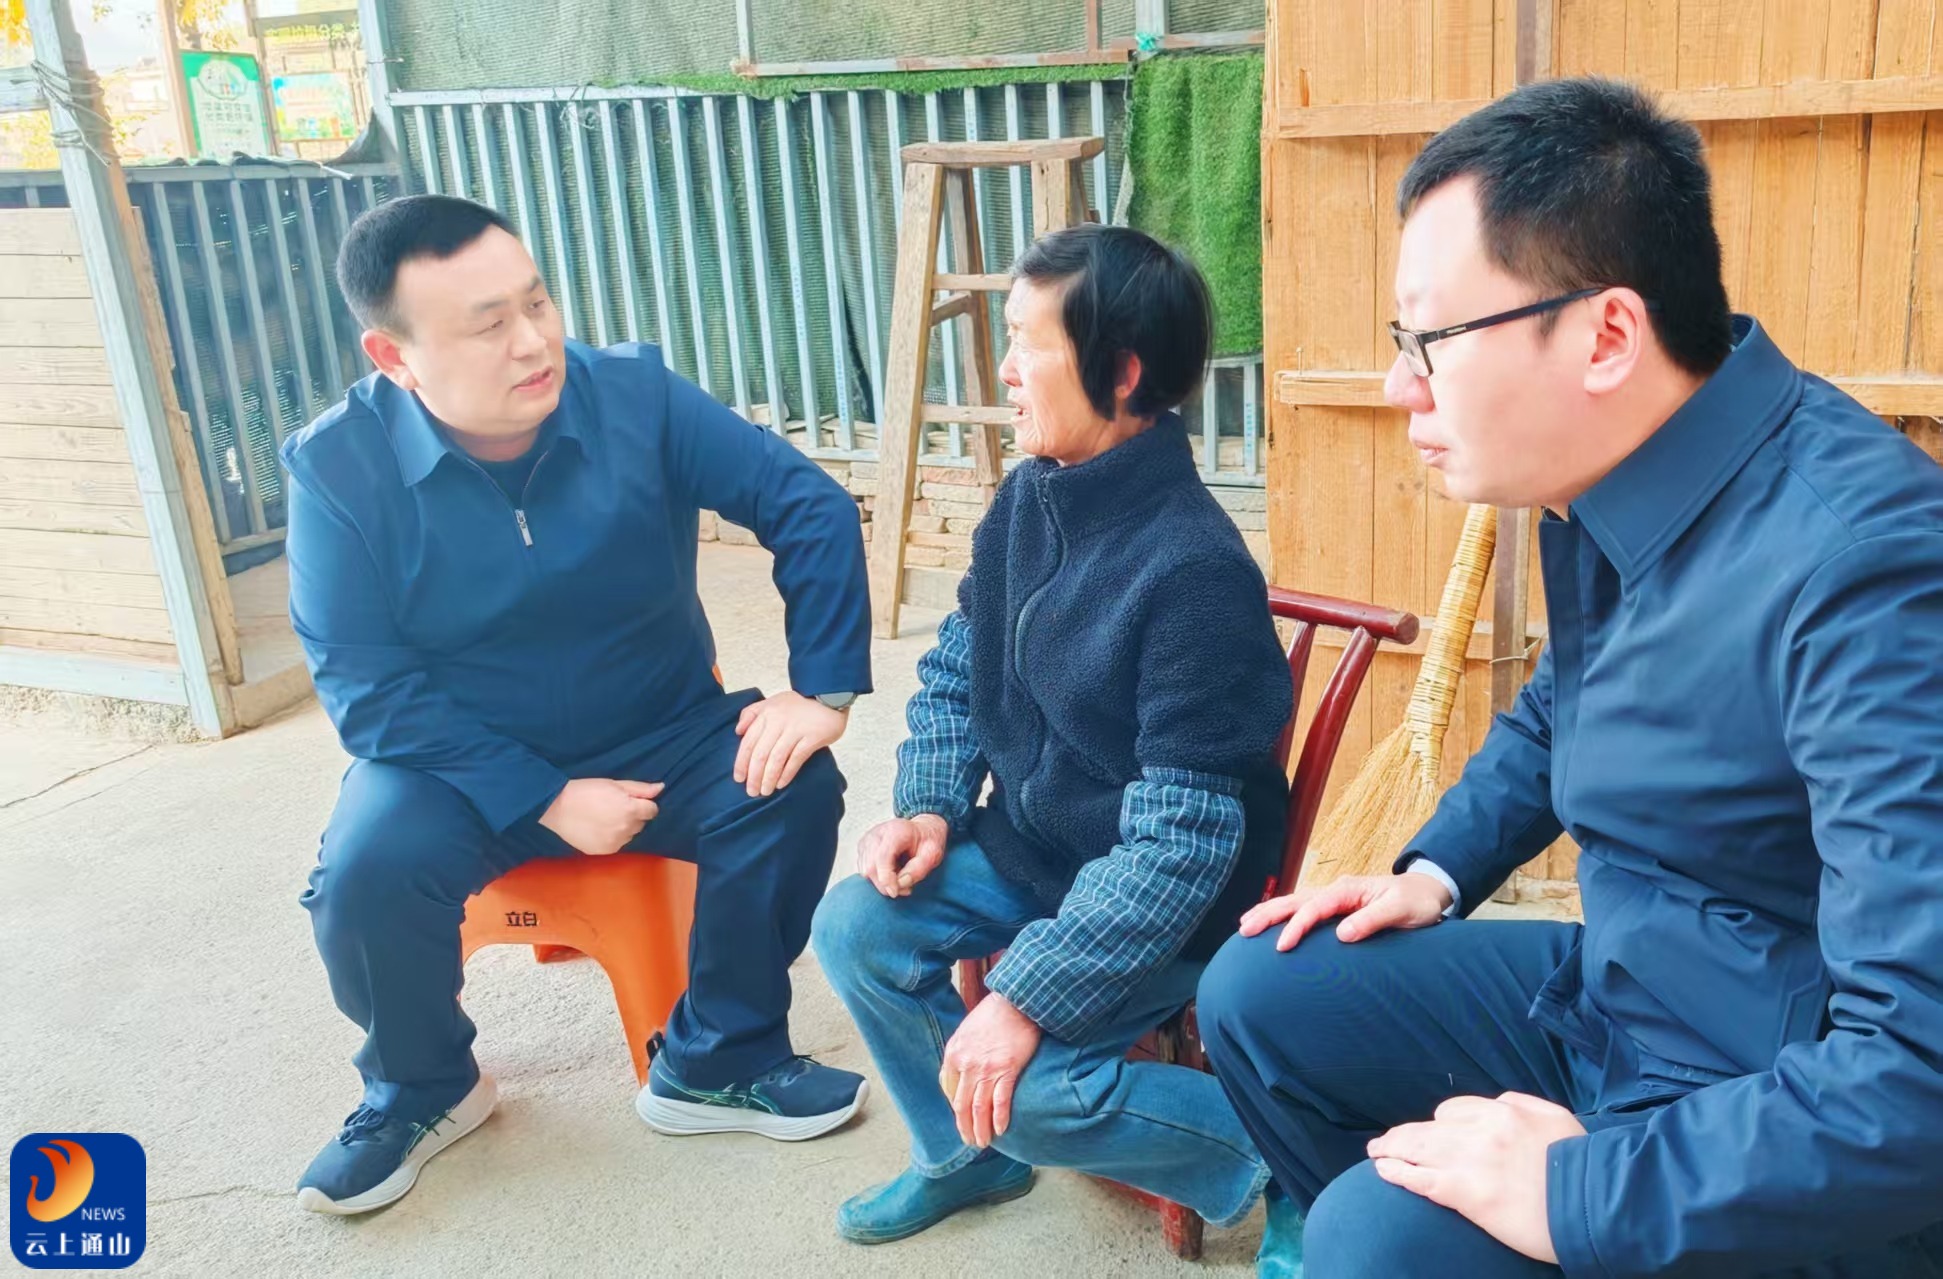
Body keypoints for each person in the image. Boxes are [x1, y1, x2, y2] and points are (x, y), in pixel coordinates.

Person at [1197, 76, 1943, 1277]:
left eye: (1430, 342)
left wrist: (1579, 1189)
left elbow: (1913, 1077)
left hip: (1770, 1090)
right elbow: (1565, 705)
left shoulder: (1869, 575)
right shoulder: (1626, 480)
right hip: (1630, 991)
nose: (1398, 386)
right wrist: (1435, 871)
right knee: (1261, 987)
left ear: (1604, 336)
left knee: (1373, 1237)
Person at [285, 194, 874, 1215]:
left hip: (660, 725)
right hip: (456, 761)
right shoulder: (339, 466)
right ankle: (423, 1086)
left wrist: (820, 689)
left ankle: (718, 1055)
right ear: (394, 356)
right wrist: (546, 797)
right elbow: (365, 688)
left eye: (537, 302)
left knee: (790, 784)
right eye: (487, 325)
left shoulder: (633, 397)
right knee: (363, 872)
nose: (533, 342)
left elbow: (806, 505)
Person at [811, 224, 1302, 1267]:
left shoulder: (1195, 573)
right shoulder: (1029, 497)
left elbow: (1178, 849)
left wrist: (1025, 994)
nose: (1002, 368)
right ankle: (959, 1157)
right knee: (855, 925)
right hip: (1037, 847)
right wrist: (930, 803)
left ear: (1119, 371)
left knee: (1027, 1095)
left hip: (1167, 901)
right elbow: (959, 661)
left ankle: (1287, 1160)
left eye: (1026, 341)